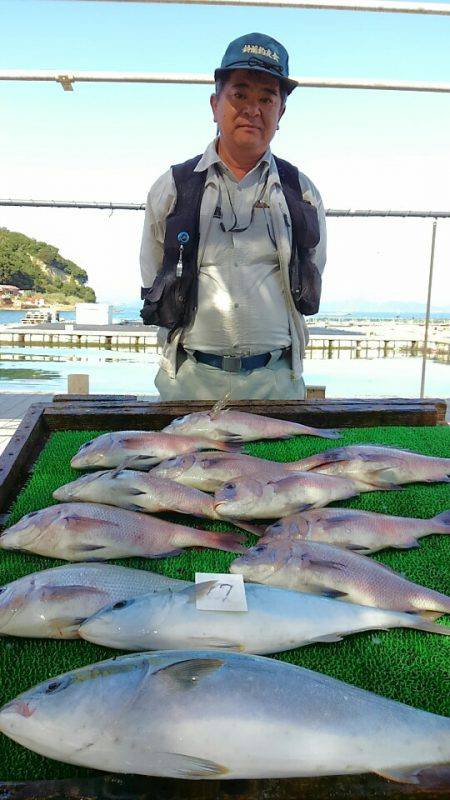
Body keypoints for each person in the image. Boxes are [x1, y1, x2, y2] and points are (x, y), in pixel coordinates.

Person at [140, 32, 327, 400]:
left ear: (281, 112)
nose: (252, 109)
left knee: (283, 461)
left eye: (266, 98)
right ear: (215, 104)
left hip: (276, 383)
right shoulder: (173, 187)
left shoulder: (301, 191)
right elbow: (152, 271)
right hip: (188, 380)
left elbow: (313, 268)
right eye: (239, 94)